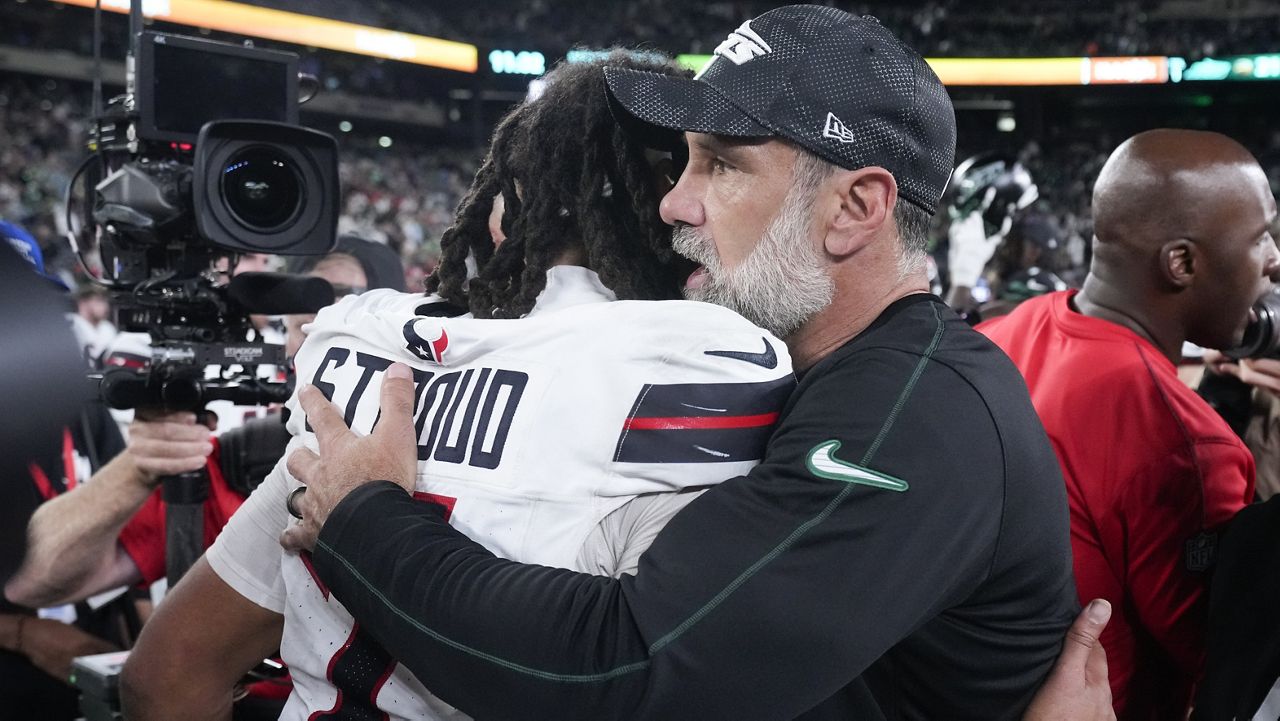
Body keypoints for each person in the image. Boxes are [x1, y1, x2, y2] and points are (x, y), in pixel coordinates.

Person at [224, 7, 1081, 719]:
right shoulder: (802, 365)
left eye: (721, 165)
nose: (675, 202)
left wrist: (366, 520)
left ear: (856, 207)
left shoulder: (921, 409)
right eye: (681, 163)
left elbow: (626, 671)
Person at [978, 128, 1276, 719]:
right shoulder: (1184, 442)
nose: (1274, 260)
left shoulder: (1005, 333)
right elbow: (1229, 664)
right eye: (1262, 237)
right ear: (1182, 263)